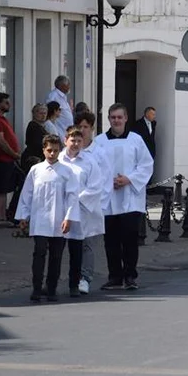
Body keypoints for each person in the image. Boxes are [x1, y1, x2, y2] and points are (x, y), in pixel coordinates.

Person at [92, 103, 153, 291]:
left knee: (129, 239)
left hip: (130, 198)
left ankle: (130, 275)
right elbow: (94, 167)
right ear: (109, 119)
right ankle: (114, 277)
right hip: (108, 198)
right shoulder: (100, 141)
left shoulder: (136, 140)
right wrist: (107, 181)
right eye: (113, 118)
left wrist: (129, 179)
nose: (116, 121)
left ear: (126, 118)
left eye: (119, 117)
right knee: (110, 240)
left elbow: (146, 164)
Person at [15, 134, 80, 302]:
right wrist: (24, 215)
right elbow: (27, 194)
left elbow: (72, 196)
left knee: (56, 256)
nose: (52, 154)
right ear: (43, 150)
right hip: (40, 219)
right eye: (49, 150)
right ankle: (36, 288)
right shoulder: (36, 170)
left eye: (56, 151)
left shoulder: (66, 171)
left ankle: (51, 289)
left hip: (59, 219)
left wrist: (69, 217)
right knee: (39, 252)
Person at [59, 125, 104, 297]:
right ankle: (52, 281)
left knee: (82, 247)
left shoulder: (89, 161)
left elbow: (95, 186)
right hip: (61, 211)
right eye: (73, 140)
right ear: (66, 140)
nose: (76, 144)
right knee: (57, 247)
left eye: (79, 140)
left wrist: (76, 202)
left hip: (83, 211)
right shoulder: (59, 159)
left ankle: (82, 279)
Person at [70, 111, 109, 292]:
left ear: (92, 129)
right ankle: (71, 277)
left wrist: (91, 202)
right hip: (69, 208)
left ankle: (85, 277)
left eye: (86, 127)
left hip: (90, 207)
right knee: (69, 245)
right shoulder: (67, 153)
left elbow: (104, 182)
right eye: (79, 127)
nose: (83, 131)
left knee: (87, 243)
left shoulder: (98, 153)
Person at [0, 92, 22, 221]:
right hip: (0, 159)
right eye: (6, 102)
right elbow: (0, 141)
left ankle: (3, 215)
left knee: (5, 188)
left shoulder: (2, 118)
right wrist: (14, 154)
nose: (9, 105)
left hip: (8, 159)